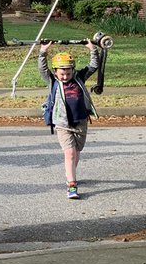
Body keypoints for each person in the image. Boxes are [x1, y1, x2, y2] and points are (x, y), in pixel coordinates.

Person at [38, 40, 100, 199]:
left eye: (68, 73)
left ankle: (70, 172)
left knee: (76, 152)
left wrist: (92, 49)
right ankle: (72, 185)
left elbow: (93, 66)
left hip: (81, 122)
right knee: (70, 153)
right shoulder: (53, 81)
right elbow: (43, 69)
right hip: (62, 124)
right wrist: (43, 52)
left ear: (73, 70)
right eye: (61, 73)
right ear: (56, 72)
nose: (65, 76)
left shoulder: (79, 77)